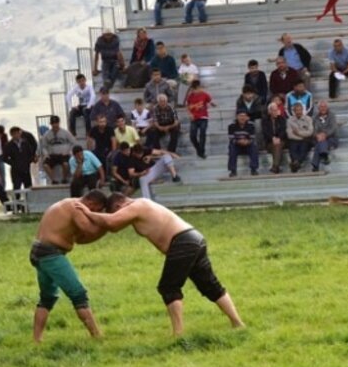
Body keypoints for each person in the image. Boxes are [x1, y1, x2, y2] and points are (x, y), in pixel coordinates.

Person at [74, 193, 244, 337]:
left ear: (120, 204)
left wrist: (87, 212)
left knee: (168, 287)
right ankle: (237, 324)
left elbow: (111, 222)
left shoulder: (136, 205)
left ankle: (178, 334)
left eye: (116, 212)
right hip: (194, 239)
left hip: (183, 242)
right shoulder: (142, 206)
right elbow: (113, 227)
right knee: (210, 285)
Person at [30, 190, 110, 341]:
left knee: (47, 298)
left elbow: (82, 239)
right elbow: (89, 229)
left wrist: (106, 228)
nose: (94, 215)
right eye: (97, 211)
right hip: (50, 254)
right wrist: (109, 223)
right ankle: (97, 336)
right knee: (78, 294)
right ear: (92, 204)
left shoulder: (69, 205)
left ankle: (36, 340)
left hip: (40, 252)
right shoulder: (76, 207)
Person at [38, 116, 77, 186]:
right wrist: (46, 154)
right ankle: (53, 180)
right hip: (52, 155)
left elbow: (73, 142)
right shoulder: (47, 134)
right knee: (45, 165)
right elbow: (43, 146)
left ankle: (64, 179)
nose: (55, 125)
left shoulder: (66, 132)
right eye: (53, 123)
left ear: (59, 123)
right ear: (50, 124)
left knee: (65, 164)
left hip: (63, 154)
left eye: (56, 123)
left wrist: (69, 152)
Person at [185, 80, 215, 159]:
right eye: (197, 88)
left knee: (202, 133)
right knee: (192, 136)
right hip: (194, 118)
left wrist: (213, 104)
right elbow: (188, 107)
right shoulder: (190, 96)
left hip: (203, 117)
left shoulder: (204, 94)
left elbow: (211, 101)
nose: (199, 90)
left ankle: (202, 152)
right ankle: (199, 150)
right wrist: (190, 114)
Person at [227, 111, 258, 178]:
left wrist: (247, 141)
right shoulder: (231, 126)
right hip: (236, 145)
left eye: (244, 116)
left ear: (247, 117)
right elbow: (231, 138)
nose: (242, 118)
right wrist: (239, 141)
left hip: (247, 145)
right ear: (237, 117)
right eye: (240, 116)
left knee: (253, 147)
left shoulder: (251, 125)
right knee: (232, 147)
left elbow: (252, 138)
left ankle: (254, 169)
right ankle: (233, 170)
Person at [286, 102, 314, 173]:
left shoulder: (308, 119)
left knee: (304, 146)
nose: (298, 112)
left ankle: (296, 163)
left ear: (302, 110)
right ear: (294, 111)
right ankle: (296, 162)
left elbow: (310, 132)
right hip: (295, 140)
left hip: (305, 140)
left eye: (300, 110)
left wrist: (298, 133)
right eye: (297, 110)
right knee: (292, 146)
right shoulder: (290, 120)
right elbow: (290, 134)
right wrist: (302, 136)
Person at [311, 100, 338, 172]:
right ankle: (324, 156)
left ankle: (316, 164)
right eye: (321, 107)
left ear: (327, 107)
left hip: (331, 138)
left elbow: (333, 128)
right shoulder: (315, 117)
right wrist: (317, 135)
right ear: (318, 108)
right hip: (318, 138)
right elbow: (312, 129)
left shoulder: (332, 115)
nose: (323, 108)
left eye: (324, 106)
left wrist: (325, 134)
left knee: (320, 143)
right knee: (320, 142)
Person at [262, 102, 288, 174]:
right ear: (269, 111)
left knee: (278, 145)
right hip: (269, 142)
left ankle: (275, 166)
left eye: (276, 110)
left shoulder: (281, 119)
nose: (276, 112)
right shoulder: (265, 120)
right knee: (276, 146)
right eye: (274, 110)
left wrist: (279, 138)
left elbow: (283, 130)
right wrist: (272, 138)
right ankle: (276, 167)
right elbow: (265, 132)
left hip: (281, 141)